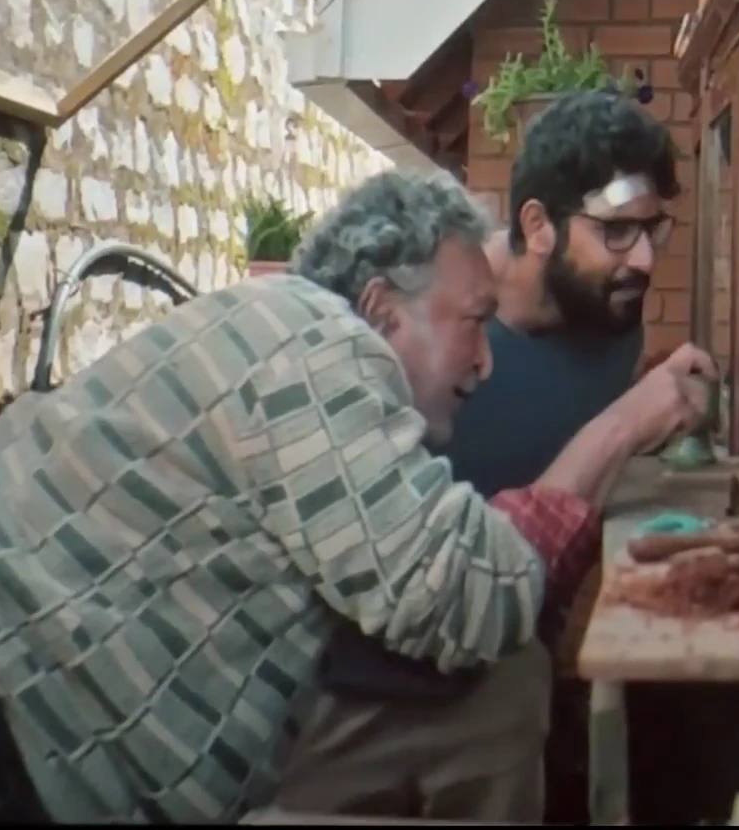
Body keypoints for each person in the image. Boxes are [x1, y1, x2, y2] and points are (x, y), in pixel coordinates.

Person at [0, 169, 715, 824]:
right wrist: (619, 429)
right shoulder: (317, 340)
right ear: (381, 308)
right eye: (472, 323)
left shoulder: (297, 361)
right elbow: (458, 591)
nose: (484, 361)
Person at [278, 91, 684, 822]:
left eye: (653, 230)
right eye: (616, 231)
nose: (645, 260)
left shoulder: (612, 324)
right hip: (354, 658)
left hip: (498, 647)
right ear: (538, 225)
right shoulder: (413, 321)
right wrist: (622, 426)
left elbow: (548, 520)